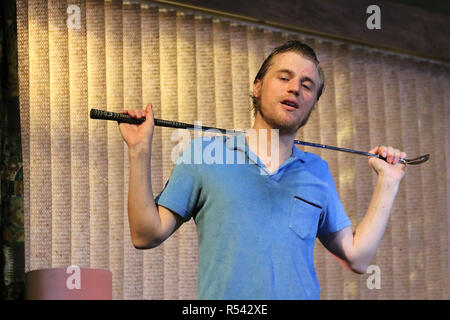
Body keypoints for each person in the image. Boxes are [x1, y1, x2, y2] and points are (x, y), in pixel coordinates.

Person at [118, 40, 407, 300]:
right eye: (284, 77)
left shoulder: (317, 171)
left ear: (312, 103)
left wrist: (389, 181)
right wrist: (139, 149)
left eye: (307, 86)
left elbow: (357, 258)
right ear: (257, 86)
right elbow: (145, 234)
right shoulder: (205, 155)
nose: (295, 87)